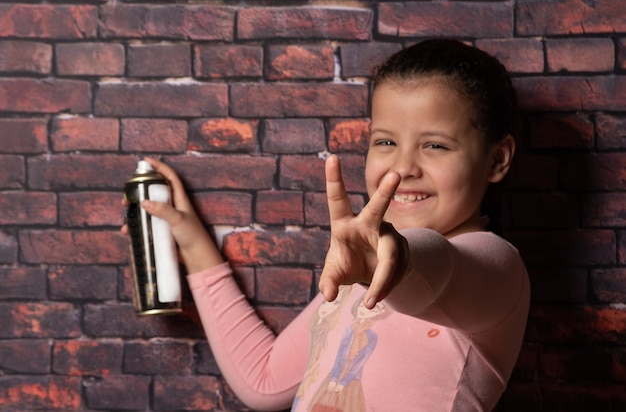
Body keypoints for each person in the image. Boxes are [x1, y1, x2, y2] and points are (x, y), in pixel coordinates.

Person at [123, 39, 530, 411]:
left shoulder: (496, 271)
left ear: (497, 159)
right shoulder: (356, 271)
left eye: (435, 145)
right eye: (386, 142)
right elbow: (263, 383)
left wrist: (395, 256)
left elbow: (440, 272)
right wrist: (195, 247)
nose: (403, 167)